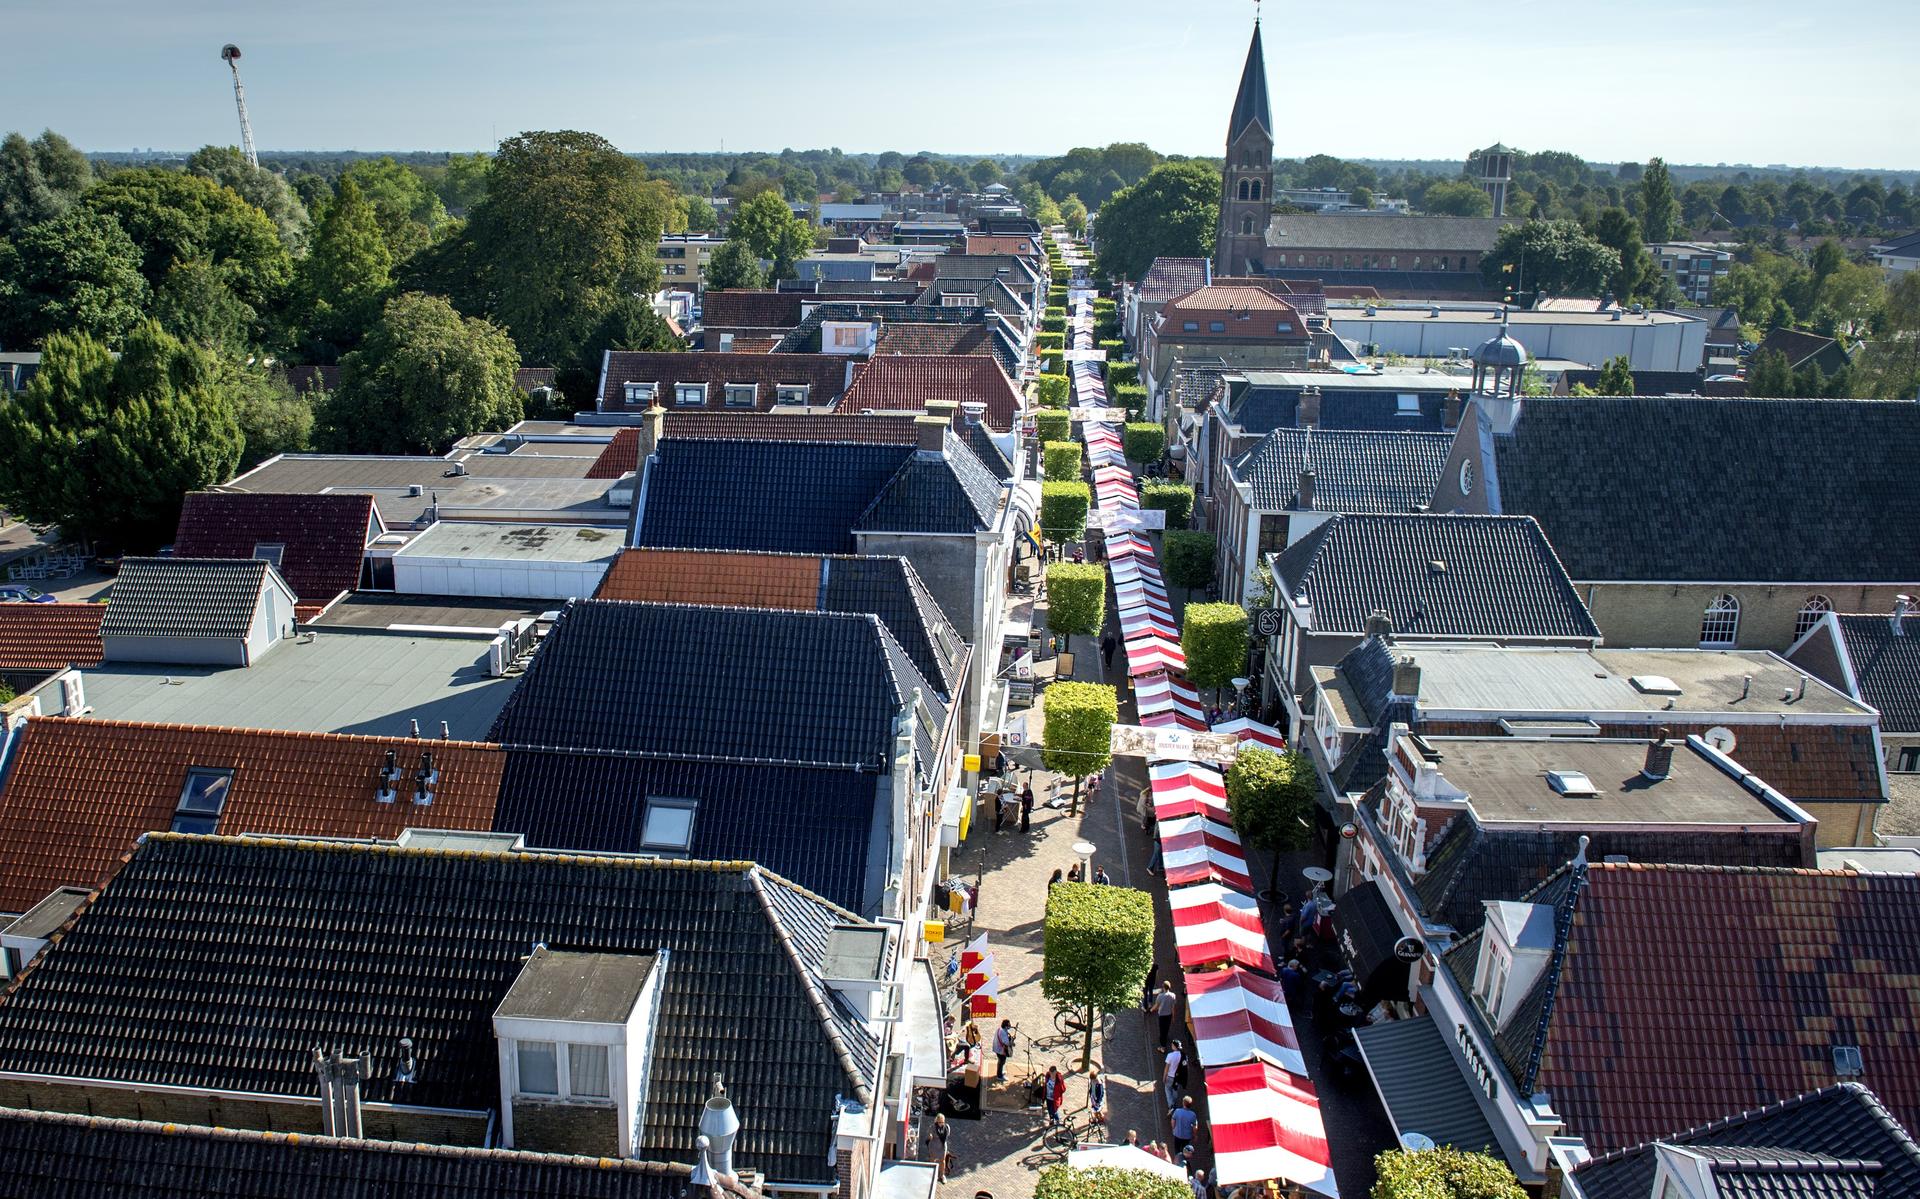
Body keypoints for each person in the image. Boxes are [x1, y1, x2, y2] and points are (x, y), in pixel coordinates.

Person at [1153, 983, 1179, 1048]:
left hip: (1161, 1015)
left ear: (1163, 987)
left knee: (1162, 1030)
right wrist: (1173, 1016)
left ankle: (1162, 1046)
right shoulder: (1173, 995)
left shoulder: (1160, 996)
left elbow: (1156, 1006)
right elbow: (1173, 1007)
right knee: (1166, 1027)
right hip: (1169, 1015)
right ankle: (1165, 1036)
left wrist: (1151, 1009)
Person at [928, 1113, 951, 1178]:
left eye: (943, 1122)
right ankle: (931, 1173)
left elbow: (947, 1135)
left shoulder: (947, 1127)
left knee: (942, 1161)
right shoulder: (933, 1127)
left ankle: (941, 1175)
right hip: (934, 1146)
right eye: (940, 1122)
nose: (941, 1123)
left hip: (942, 1146)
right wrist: (930, 1136)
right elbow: (930, 1134)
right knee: (932, 1159)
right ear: (937, 1121)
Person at [1163, 1041, 1185, 1106]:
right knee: (1175, 1090)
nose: (1171, 1046)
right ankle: (1174, 1101)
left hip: (1170, 1076)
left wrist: (1164, 1077)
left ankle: (1171, 1105)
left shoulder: (1170, 1055)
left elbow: (1166, 1068)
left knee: (1168, 1091)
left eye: (1172, 1045)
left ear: (1174, 1046)